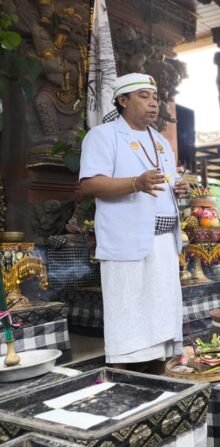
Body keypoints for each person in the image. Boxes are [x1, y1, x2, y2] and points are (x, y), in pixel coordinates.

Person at [79, 73, 189, 372]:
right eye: (143, 96)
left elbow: (162, 184)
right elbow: (89, 184)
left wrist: (177, 188)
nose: (153, 103)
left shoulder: (161, 142)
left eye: (155, 97)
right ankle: (120, 378)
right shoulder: (103, 135)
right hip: (126, 240)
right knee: (127, 315)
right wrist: (135, 183)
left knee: (160, 315)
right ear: (123, 100)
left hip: (163, 242)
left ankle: (157, 375)